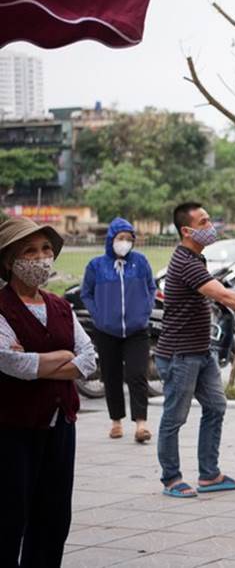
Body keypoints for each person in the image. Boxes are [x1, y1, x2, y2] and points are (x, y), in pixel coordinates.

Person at [155, 202, 235, 498]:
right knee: (175, 417)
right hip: (180, 354)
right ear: (187, 230)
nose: (211, 226)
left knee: (216, 407)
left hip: (200, 350)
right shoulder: (185, 262)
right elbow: (224, 296)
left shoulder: (198, 259)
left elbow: (222, 293)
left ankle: (209, 474)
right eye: (204, 221)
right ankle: (171, 478)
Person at [0, 217, 97, 567]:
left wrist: (41, 361)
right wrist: (61, 358)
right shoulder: (2, 307)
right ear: (10, 261)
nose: (41, 257)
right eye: (30, 250)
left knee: (54, 517)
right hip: (12, 427)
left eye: (45, 249)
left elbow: (88, 360)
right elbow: (11, 363)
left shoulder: (60, 307)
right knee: (8, 517)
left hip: (60, 425)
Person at [81, 217, 157, 443]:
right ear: (111, 239)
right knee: (111, 377)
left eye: (129, 239)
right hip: (107, 331)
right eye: (120, 238)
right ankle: (116, 421)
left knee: (137, 375)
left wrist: (144, 311)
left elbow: (151, 287)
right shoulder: (96, 265)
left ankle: (141, 423)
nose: (124, 243)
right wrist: (99, 316)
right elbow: (87, 293)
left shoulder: (140, 262)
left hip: (137, 330)